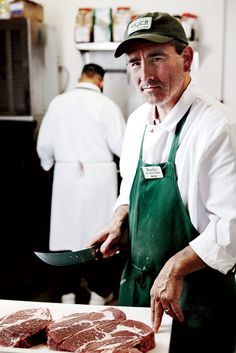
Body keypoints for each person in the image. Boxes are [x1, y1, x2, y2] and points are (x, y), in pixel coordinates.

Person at [89, 12, 236, 353]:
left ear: (186, 58)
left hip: (196, 302)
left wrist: (176, 265)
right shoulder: (139, 119)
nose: (145, 74)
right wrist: (119, 218)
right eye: (135, 63)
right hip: (139, 293)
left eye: (156, 58)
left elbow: (231, 224)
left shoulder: (216, 127)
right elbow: (130, 183)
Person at [37, 63, 126, 305]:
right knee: (100, 236)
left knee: (65, 236)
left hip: (66, 177)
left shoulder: (58, 103)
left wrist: (49, 166)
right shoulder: (107, 106)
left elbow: (43, 146)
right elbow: (122, 147)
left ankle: (67, 293)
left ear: (80, 77)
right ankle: (99, 294)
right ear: (101, 82)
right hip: (100, 179)